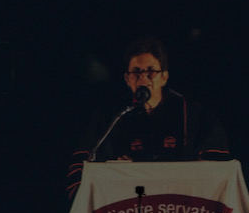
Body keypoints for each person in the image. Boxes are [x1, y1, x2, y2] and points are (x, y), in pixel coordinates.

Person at [67, 37, 231, 198]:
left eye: (151, 71)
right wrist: (114, 167)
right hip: (123, 210)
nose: (143, 78)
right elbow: (85, 163)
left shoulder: (194, 114)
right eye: (136, 72)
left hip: (181, 207)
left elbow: (214, 168)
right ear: (127, 79)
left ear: (164, 77)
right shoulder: (112, 117)